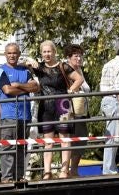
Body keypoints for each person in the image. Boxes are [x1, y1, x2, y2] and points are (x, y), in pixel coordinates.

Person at [26, 40, 83, 179]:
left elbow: (79, 79)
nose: (47, 54)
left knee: (65, 138)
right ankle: (47, 172)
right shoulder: (38, 67)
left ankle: (64, 170)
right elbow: (21, 63)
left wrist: (71, 90)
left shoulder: (63, 66)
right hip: (45, 105)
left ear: (54, 52)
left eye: (49, 51)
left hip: (62, 104)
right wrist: (29, 60)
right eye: (44, 52)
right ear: (41, 53)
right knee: (48, 141)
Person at [0, 43, 39, 182]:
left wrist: (17, 85)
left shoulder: (25, 70)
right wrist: (26, 88)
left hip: (25, 115)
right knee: (8, 147)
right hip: (9, 115)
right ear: (5, 54)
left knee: (21, 147)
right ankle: (7, 178)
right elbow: (7, 90)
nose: (12, 55)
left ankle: (19, 176)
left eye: (15, 53)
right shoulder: (1, 70)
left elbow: (35, 87)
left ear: (19, 54)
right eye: (9, 53)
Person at [99, 39, 119, 175]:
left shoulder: (108, 63)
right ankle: (109, 169)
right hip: (113, 101)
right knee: (113, 137)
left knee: (110, 136)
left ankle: (110, 166)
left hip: (105, 100)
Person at [64, 43, 90, 177]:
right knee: (70, 140)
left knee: (81, 140)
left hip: (81, 112)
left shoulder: (80, 71)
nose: (79, 59)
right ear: (69, 57)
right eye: (76, 56)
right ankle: (66, 170)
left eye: (80, 56)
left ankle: (74, 169)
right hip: (70, 111)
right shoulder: (66, 70)